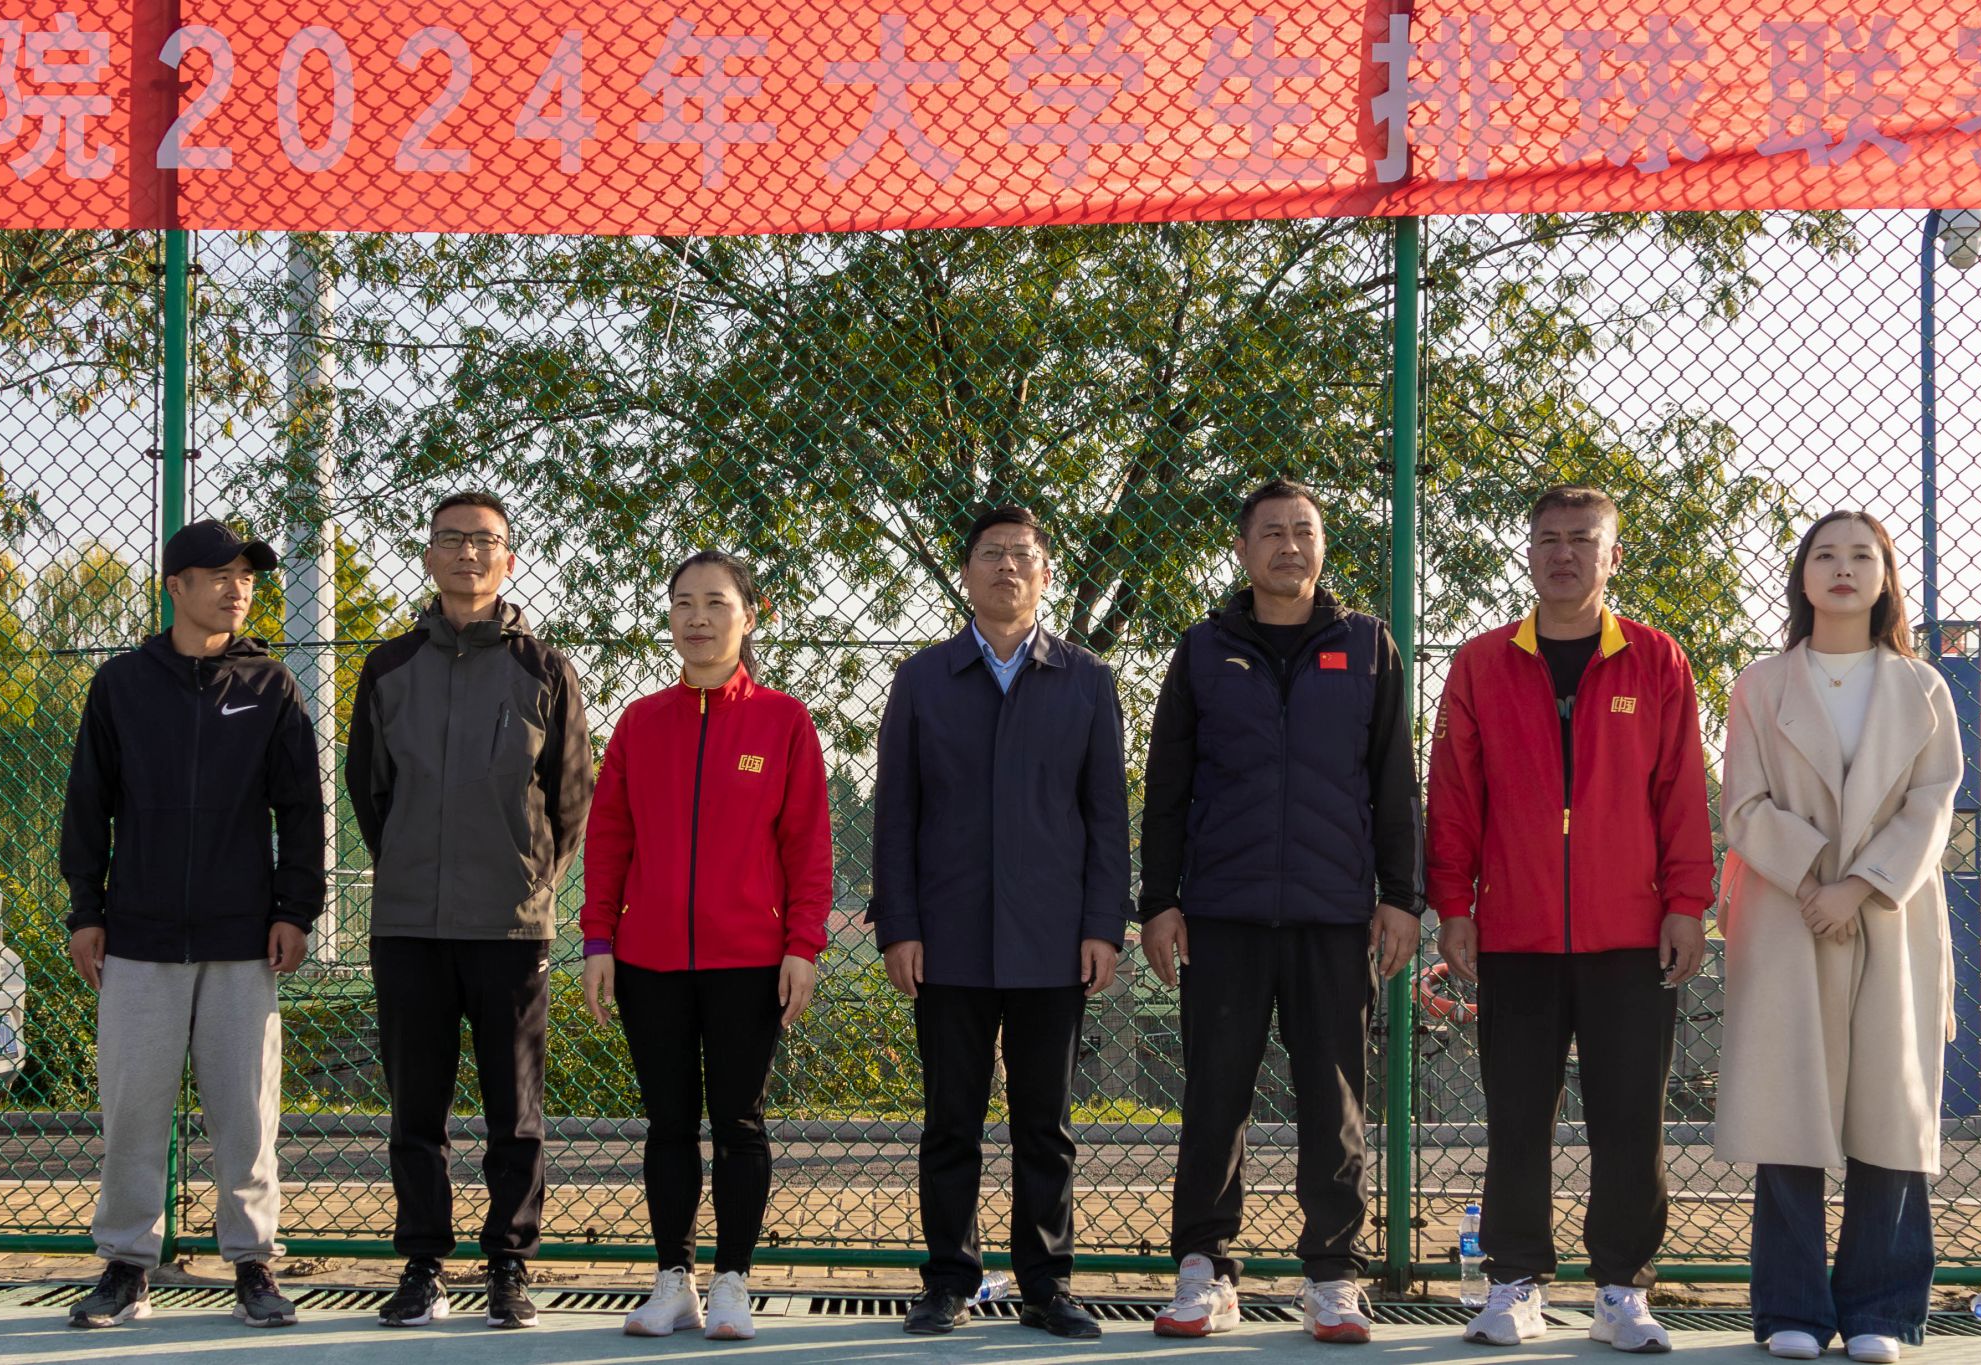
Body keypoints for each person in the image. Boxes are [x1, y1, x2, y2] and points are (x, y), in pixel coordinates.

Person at [1425, 485, 1714, 1353]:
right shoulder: (1481, 663)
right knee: (1518, 1116)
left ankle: (1622, 1288)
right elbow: (1455, 794)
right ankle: (1514, 1282)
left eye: (1582, 539)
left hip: (1630, 933)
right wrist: (1453, 904)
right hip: (1515, 931)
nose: (1563, 553)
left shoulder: (1657, 660)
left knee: (1630, 1117)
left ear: (1612, 556)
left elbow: (1682, 793)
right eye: (1548, 538)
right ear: (1529, 553)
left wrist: (1687, 903)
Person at [1140, 477, 1424, 1345]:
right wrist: (1159, 901)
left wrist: (1401, 896)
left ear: (1323, 546)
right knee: (1214, 1097)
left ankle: (1333, 1273)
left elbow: (1394, 782)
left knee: (1333, 1103)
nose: (1289, 545)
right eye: (1271, 532)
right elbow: (1167, 787)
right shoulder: (1202, 649)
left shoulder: (1367, 646)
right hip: (1221, 915)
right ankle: (1205, 1267)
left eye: (1304, 531)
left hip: (1332, 916)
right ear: (1242, 548)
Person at [870, 505, 1131, 1340]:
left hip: (1054, 939)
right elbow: (896, 814)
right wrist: (899, 924)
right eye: (991, 553)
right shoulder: (923, 679)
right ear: (966, 572)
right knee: (951, 1119)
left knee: (1044, 1125)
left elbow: (1107, 815)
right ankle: (949, 1277)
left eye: (1023, 554)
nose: (1008, 567)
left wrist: (1104, 924)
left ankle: (1047, 1284)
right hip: (947, 937)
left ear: (1046, 574)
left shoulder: (1086, 679)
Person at [60, 520, 324, 1330]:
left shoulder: (272, 685)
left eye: (246, 574)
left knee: (246, 1114)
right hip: (137, 936)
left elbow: (301, 808)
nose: (238, 587)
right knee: (133, 1111)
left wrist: (295, 909)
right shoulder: (121, 684)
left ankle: (253, 1264)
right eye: (219, 573)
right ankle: (125, 1266)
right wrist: (85, 909)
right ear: (175, 585)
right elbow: (88, 804)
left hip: (242, 939)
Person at [345, 491, 592, 1330]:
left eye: (484, 541)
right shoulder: (387, 667)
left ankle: (509, 1263)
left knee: (513, 1113)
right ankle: (423, 1264)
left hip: (509, 928)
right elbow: (371, 792)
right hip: (409, 924)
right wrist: (413, 863)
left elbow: (570, 799)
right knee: (415, 1111)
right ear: (429, 555)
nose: (467, 553)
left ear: (508, 559)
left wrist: (529, 881)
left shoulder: (545, 669)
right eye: (451, 538)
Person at [1716, 512, 1958, 1365]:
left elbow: (1934, 803)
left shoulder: (1923, 687)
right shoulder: (1759, 685)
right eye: (1825, 554)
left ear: (1885, 576)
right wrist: (1815, 879)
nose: (1843, 568)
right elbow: (1743, 804)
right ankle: (1791, 1306)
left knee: (1889, 1111)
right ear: (1803, 576)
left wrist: (1859, 885)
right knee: (1788, 1104)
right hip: (1789, 914)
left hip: (1891, 913)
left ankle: (1880, 1310)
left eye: (1862, 555)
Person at [579, 551, 833, 1341]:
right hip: (649, 958)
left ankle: (732, 1280)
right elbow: (608, 836)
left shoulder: (783, 721)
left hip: (749, 960)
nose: (698, 617)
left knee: (739, 1124)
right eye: (683, 602)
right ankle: (673, 1279)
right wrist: (598, 938)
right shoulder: (639, 721)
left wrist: (803, 944)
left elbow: (807, 845)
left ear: (749, 616)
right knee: (667, 1123)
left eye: (716, 602)